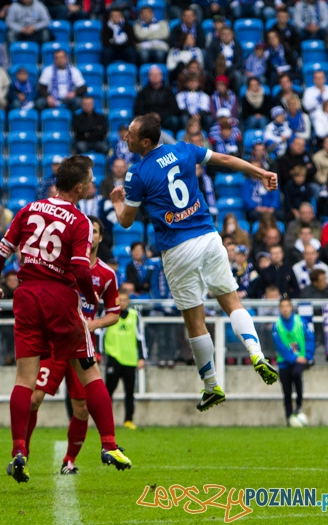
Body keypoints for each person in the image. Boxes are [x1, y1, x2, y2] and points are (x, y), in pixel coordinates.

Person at [111, 113, 279, 412]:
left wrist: (116, 200)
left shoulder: (137, 174)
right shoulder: (184, 148)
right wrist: (261, 173)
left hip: (177, 249)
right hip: (209, 237)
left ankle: (212, 386)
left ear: (145, 142)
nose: (126, 137)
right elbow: (226, 160)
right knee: (231, 302)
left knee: (195, 321)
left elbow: (125, 221)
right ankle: (256, 352)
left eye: (132, 134)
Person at [0, 156, 131, 483]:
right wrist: (91, 298)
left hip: (26, 295)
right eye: (92, 179)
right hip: (60, 299)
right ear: (80, 187)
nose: (94, 183)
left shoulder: (29, 209)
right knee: (90, 371)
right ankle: (108, 443)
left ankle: (18, 450)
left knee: (24, 380)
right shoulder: (79, 220)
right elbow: (81, 269)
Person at [23, 215, 121, 475]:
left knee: (82, 408)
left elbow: (115, 312)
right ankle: (23, 453)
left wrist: (94, 324)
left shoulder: (106, 274)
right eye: (88, 232)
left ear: (100, 237)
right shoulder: (62, 265)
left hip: (82, 343)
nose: (91, 237)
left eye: (96, 232)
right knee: (34, 399)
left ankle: (68, 460)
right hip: (55, 342)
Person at [104, 286, 146, 429]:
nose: (122, 303)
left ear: (128, 301)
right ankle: (105, 422)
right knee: (107, 393)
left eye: (125, 300)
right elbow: (100, 334)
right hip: (113, 358)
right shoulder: (108, 315)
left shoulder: (134, 315)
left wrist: (141, 357)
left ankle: (128, 420)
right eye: (120, 300)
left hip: (129, 359)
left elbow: (140, 337)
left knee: (129, 393)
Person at [272, 298, 314, 427]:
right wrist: (294, 358)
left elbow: (310, 338)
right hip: (284, 362)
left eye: (287, 306)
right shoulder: (276, 325)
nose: (285, 309)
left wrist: (307, 356)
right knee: (286, 391)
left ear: (291, 307)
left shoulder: (300, 322)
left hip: (300, 360)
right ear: (280, 308)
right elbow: (279, 346)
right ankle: (289, 419)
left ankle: (299, 403)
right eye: (282, 306)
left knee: (297, 375)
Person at [134, 66, 181, 134]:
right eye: (152, 75)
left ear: (161, 76)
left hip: (164, 119)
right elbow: (137, 109)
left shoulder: (168, 91)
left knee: (174, 120)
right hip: (147, 119)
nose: (155, 77)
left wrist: (160, 115)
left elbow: (174, 109)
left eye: (156, 74)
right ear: (149, 77)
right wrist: (151, 115)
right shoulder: (143, 92)